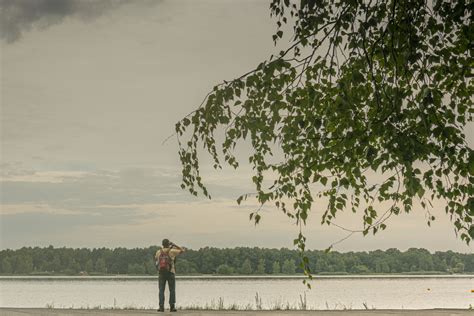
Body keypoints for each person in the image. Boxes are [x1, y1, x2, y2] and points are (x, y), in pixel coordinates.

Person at [155, 239, 185, 312]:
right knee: (172, 290)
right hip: (170, 272)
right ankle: (172, 307)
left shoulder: (158, 252)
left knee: (161, 290)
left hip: (161, 273)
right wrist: (174, 245)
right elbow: (182, 250)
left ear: (162, 244)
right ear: (168, 244)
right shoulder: (172, 251)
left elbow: (156, 259)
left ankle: (161, 307)